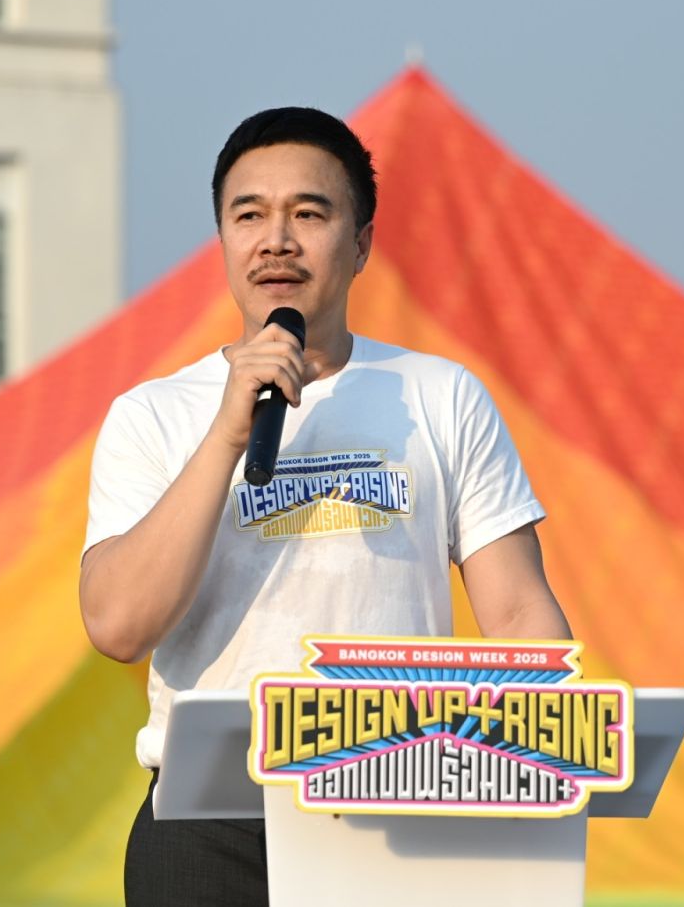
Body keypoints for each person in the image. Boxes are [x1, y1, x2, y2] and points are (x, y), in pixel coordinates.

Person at [78, 106, 571, 906]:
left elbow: (519, 617)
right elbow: (118, 626)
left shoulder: (441, 395)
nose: (277, 240)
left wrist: (535, 777)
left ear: (362, 243)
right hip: (209, 821)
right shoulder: (154, 414)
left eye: (308, 214)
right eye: (249, 216)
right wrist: (227, 435)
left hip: (404, 802)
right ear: (223, 241)